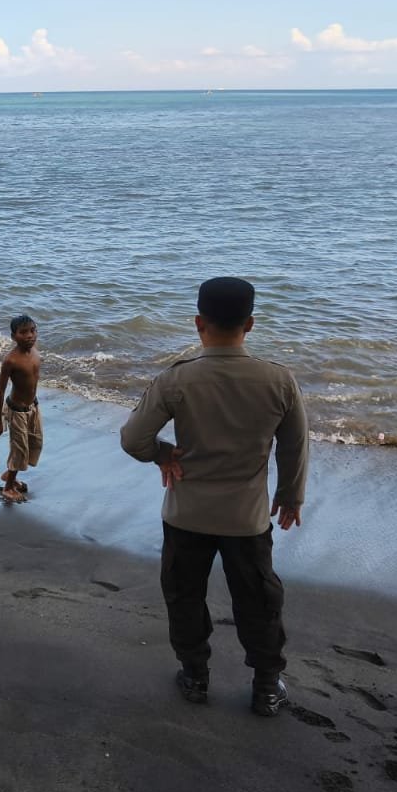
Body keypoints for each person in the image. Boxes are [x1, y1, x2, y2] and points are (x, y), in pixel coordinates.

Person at [120, 277, 308, 717]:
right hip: (247, 518)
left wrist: (162, 453)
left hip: (186, 513)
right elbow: (295, 445)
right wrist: (290, 495)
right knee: (259, 600)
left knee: (184, 595)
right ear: (250, 324)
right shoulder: (279, 380)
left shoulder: (177, 379)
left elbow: (132, 439)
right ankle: (266, 687)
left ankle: (195, 676)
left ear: (199, 322)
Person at [0, 314, 43, 503]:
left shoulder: (36, 352)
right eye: (23, 332)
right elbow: (0, 390)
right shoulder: (11, 360)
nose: (30, 335)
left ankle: (10, 474)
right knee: (19, 449)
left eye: (33, 330)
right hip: (16, 410)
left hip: (33, 407)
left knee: (34, 443)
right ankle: (8, 487)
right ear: (13, 336)